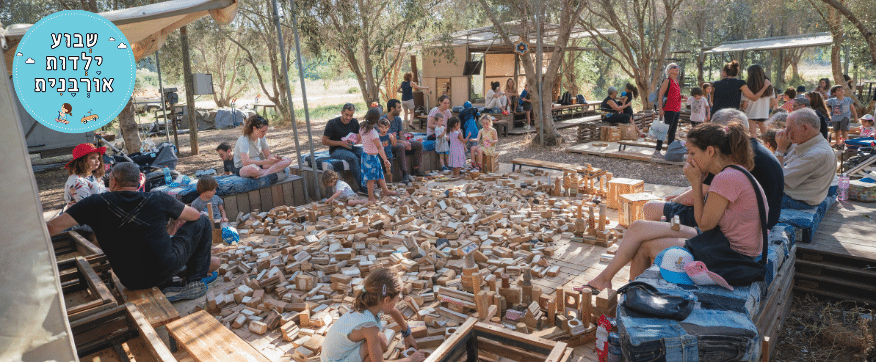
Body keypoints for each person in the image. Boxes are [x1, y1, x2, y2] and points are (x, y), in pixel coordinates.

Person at [585, 123, 767, 292]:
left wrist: (696, 183)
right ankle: (605, 279)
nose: (689, 159)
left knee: (644, 247)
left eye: (692, 153)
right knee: (637, 227)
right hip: (719, 242)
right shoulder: (733, 172)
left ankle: (634, 297)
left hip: (730, 257)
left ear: (710, 151)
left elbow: (703, 225)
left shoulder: (726, 178)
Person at [46, 162, 221, 301]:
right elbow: (195, 215)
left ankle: (172, 284)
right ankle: (195, 279)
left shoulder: (94, 203)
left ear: (113, 181)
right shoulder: (157, 198)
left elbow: (52, 227)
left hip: (130, 279)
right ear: (139, 182)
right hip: (164, 268)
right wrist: (174, 218)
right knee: (203, 221)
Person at [645, 109, 783, 230]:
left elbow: (699, 210)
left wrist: (673, 201)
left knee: (650, 208)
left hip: (749, 227)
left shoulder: (726, 159)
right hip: (765, 219)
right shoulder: (749, 149)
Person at [321, 268, 423, 362]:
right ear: (386, 300)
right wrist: (410, 359)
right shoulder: (370, 327)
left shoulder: (368, 303)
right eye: (397, 299)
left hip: (331, 356)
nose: (397, 301)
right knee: (377, 339)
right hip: (335, 360)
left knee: (381, 340)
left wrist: (407, 334)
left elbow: (393, 310)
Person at [774, 108, 836, 209]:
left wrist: (780, 150)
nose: (785, 132)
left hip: (797, 201)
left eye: (789, 128)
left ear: (805, 128)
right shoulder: (808, 144)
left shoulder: (817, 153)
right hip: (793, 196)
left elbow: (777, 179)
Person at [382, 99, 426, 183]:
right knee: (400, 147)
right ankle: (404, 174)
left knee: (419, 145)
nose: (401, 110)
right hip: (388, 144)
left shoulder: (398, 119)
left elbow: (401, 134)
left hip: (398, 141)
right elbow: (389, 139)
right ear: (392, 108)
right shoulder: (383, 120)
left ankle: (416, 170)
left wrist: (407, 143)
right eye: (398, 107)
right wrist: (403, 143)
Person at [360, 109, 398, 203]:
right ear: (377, 120)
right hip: (371, 157)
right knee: (371, 179)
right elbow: (379, 147)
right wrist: (385, 159)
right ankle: (371, 197)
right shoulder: (373, 132)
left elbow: (359, 139)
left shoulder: (362, 127)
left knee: (380, 175)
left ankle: (386, 191)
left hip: (367, 156)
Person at [323, 103, 365, 189]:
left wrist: (357, 139)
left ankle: (370, 182)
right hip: (336, 150)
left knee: (365, 154)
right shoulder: (332, 123)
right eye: (347, 115)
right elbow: (324, 141)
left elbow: (357, 137)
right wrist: (341, 143)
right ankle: (363, 187)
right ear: (342, 112)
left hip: (350, 147)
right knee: (352, 158)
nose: (349, 118)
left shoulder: (354, 122)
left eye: (351, 115)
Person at [63, 143, 108, 210]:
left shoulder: (92, 175)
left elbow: (100, 191)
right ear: (82, 161)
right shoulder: (77, 181)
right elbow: (87, 207)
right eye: (93, 158)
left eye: (98, 158)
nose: (97, 161)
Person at [654, 63, 683, 157]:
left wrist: (682, 97)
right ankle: (657, 151)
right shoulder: (667, 81)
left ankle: (670, 152)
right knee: (664, 130)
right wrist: (660, 109)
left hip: (677, 109)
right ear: (669, 70)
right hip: (669, 109)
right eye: (674, 67)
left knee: (673, 132)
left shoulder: (676, 82)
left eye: (678, 67)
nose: (677, 68)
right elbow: (660, 95)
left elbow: (675, 96)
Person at [741, 64, 774, 137]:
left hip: (750, 114)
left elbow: (744, 105)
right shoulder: (769, 86)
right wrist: (765, 107)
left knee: (753, 136)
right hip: (764, 114)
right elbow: (773, 102)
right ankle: (768, 148)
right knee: (766, 136)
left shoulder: (747, 87)